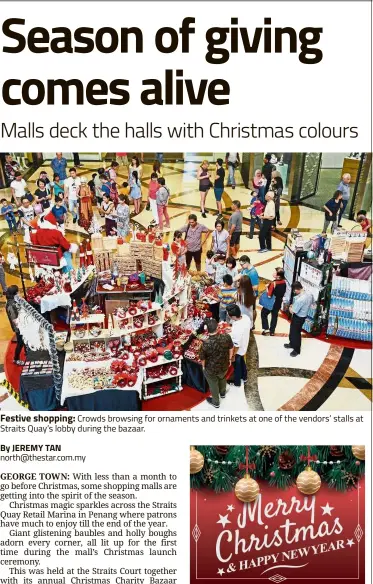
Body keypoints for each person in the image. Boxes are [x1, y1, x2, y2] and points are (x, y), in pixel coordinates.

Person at [199, 318, 234, 408]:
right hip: (224, 364)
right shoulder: (226, 336)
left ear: (207, 330)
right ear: (217, 328)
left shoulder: (205, 344)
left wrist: (203, 367)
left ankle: (216, 401)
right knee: (222, 377)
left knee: (213, 383)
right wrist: (230, 359)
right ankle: (222, 393)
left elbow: (202, 358)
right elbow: (231, 348)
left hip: (211, 368)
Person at [284, 281, 313, 357]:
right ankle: (291, 344)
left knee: (296, 333)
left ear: (296, 289)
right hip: (303, 316)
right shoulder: (309, 293)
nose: (294, 292)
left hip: (298, 317)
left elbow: (293, 311)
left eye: (294, 290)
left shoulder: (300, 300)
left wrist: (290, 307)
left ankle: (296, 349)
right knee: (293, 331)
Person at [226, 304, 250, 388]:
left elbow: (236, 344)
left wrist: (232, 356)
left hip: (238, 350)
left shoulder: (237, 329)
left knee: (237, 366)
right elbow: (242, 329)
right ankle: (244, 377)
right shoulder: (245, 317)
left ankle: (237, 382)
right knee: (242, 363)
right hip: (245, 345)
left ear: (232, 316)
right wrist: (232, 330)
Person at [261, 267, 286, 336]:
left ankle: (266, 329)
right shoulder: (284, 282)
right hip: (278, 302)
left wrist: (267, 287)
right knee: (274, 316)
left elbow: (269, 295)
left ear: (278, 276)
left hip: (271, 303)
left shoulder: (273, 283)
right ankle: (272, 332)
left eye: (275, 272)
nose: (273, 273)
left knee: (263, 313)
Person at [5, 285, 26, 366]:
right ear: (15, 293)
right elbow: (14, 319)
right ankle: (16, 359)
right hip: (18, 326)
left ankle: (26, 351)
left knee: (24, 339)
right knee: (20, 342)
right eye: (18, 291)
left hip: (21, 324)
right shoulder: (11, 305)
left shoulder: (13, 300)